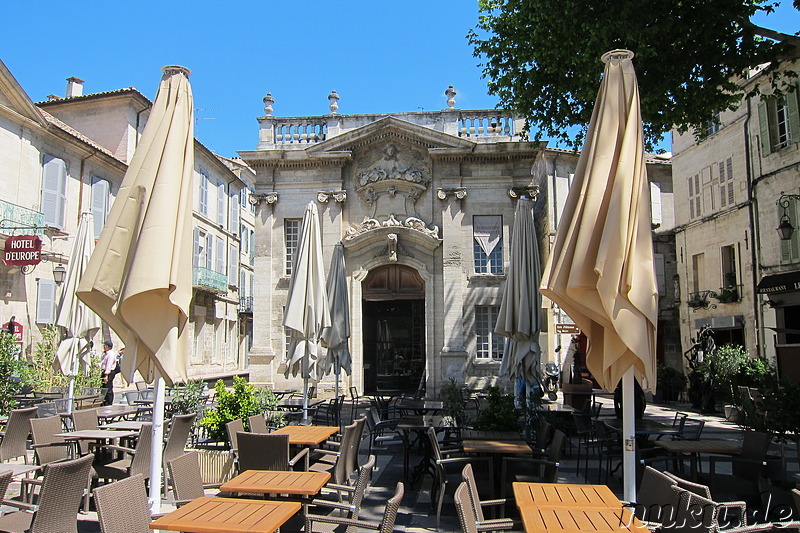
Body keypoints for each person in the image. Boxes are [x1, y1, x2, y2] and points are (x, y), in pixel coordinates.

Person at [99, 340, 118, 406]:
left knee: (108, 388)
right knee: (104, 388)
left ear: (107, 346)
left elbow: (109, 365)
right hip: (105, 371)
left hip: (109, 372)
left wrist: (106, 375)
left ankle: (109, 403)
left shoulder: (110, 354)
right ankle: (105, 401)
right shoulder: (106, 354)